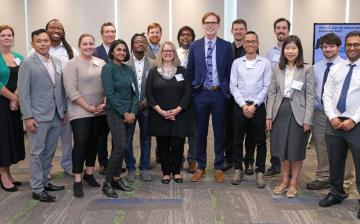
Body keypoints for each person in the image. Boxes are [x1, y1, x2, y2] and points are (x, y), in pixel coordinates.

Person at [18, 29, 67, 202]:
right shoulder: (27, 63)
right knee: (37, 153)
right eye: (39, 41)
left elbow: (59, 88)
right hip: (37, 116)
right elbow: (23, 93)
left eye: (45, 40)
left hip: (56, 114)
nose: (43, 43)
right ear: (33, 44)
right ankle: (37, 188)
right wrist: (28, 117)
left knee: (50, 151)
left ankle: (45, 180)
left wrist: (64, 110)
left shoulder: (55, 61)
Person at [266, 35, 315, 198]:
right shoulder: (277, 68)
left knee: (296, 149)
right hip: (280, 111)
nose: (290, 51)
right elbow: (272, 93)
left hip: (298, 113)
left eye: (294, 48)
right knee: (282, 148)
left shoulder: (307, 69)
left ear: (299, 50)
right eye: (287, 48)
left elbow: (310, 96)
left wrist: (308, 119)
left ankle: (294, 183)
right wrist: (269, 116)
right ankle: (284, 180)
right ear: (283, 50)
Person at [188, 12, 233, 183]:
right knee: (200, 132)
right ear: (203, 24)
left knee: (219, 131)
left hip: (218, 94)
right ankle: (200, 166)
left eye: (214, 23)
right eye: (207, 22)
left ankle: (218, 166)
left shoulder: (226, 46)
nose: (210, 25)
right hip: (200, 94)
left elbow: (229, 72)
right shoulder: (195, 46)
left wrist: (226, 91)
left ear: (218, 25)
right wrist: (194, 89)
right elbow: (190, 70)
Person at [319, 31, 360, 219]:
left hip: (356, 124)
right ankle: (336, 193)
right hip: (334, 122)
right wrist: (332, 116)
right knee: (335, 161)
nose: (352, 48)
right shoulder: (338, 68)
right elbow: (327, 94)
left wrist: (354, 119)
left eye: (356, 44)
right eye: (349, 44)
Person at [63, 34, 107, 198]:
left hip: (99, 109)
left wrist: (104, 103)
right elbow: (71, 91)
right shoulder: (71, 64)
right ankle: (77, 179)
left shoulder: (101, 63)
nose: (88, 46)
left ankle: (89, 173)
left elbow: (107, 86)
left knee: (94, 142)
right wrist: (88, 107)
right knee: (81, 143)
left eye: (91, 43)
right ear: (79, 45)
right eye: (85, 44)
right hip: (80, 111)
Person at [146, 41, 193, 184]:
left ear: (174, 53)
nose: (168, 53)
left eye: (171, 51)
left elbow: (187, 92)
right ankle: (166, 173)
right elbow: (149, 93)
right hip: (160, 115)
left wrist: (178, 109)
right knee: (163, 145)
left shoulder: (181, 71)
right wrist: (161, 111)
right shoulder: (154, 71)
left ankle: (176, 172)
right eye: (165, 51)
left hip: (179, 115)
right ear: (161, 53)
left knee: (178, 145)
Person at [229, 31, 271, 188]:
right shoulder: (237, 63)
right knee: (238, 140)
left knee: (260, 140)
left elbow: (267, 86)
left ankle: (260, 171)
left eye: (253, 41)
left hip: (258, 107)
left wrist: (254, 105)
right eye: (247, 42)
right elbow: (233, 86)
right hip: (240, 106)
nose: (250, 44)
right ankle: (238, 168)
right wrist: (243, 105)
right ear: (244, 44)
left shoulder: (265, 63)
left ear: (258, 43)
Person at [307, 33, 347, 190]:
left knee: (343, 147)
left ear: (338, 47)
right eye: (325, 46)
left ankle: (345, 181)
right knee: (321, 145)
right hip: (320, 113)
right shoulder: (316, 67)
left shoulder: (345, 66)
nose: (328, 49)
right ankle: (323, 176)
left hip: (340, 114)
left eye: (331, 46)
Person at [101, 39, 137, 198]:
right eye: (118, 50)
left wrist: (133, 112)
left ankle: (116, 178)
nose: (122, 52)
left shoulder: (129, 70)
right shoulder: (108, 69)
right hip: (115, 112)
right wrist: (124, 113)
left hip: (130, 113)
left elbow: (135, 93)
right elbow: (109, 94)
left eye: (124, 50)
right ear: (112, 52)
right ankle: (107, 182)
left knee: (121, 146)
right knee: (120, 147)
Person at [224, 19, 258, 174]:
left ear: (246, 31)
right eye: (235, 29)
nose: (238, 31)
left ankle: (249, 161)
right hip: (229, 98)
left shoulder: (251, 50)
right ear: (232, 31)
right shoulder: (226, 49)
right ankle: (229, 158)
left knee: (250, 132)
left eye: (241, 29)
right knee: (230, 130)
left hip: (249, 99)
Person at [124, 33, 156, 182]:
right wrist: (132, 105)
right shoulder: (124, 63)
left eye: (143, 42)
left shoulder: (154, 63)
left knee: (146, 139)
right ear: (132, 45)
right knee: (127, 139)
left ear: (146, 45)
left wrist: (145, 102)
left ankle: (144, 168)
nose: (140, 44)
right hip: (129, 108)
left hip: (147, 107)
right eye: (137, 42)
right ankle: (130, 168)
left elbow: (155, 88)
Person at [265, 18, 291, 177]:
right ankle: (275, 165)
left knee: (289, 135)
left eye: (284, 28)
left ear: (288, 30)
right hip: (274, 99)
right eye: (278, 28)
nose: (281, 30)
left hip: (289, 99)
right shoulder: (271, 52)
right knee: (274, 134)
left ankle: (288, 166)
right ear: (275, 30)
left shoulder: (294, 49)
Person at [0, 25, 25, 192]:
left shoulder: (19, 56)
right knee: (2, 138)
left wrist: (17, 97)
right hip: (2, 103)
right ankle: (3, 174)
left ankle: (7, 172)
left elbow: (23, 78)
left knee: (10, 138)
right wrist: (13, 97)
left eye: (9, 35)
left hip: (14, 104)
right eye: (3, 35)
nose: (7, 38)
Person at [93, 22, 116, 175]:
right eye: (107, 31)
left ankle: (115, 161)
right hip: (101, 99)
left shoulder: (119, 50)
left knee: (116, 133)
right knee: (102, 134)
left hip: (117, 100)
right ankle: (103, 163)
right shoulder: (95, 52)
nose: (110, 34)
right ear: (102, 34)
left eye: (112, 31)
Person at [176, 26, 197, 173]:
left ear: (192, 38)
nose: (185, 37)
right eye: (183, 35)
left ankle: (192, 159)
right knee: (179, 130)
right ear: (179, 38)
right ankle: (178, 159)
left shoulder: (197, 52)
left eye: (188, 35)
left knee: (194, 130)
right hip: (177, 96)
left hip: (195, 95)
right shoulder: (174, 53)